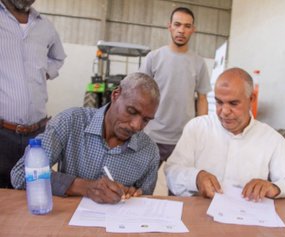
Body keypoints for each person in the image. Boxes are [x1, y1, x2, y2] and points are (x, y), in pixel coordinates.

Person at [11, 72, 161, 204]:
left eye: (146, 120)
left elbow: (145, 204)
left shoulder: (149, 152)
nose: (136, 125)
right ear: (116, 95)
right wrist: (84, 187)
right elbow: (21, 174)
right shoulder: (71, 122)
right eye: (131, 111)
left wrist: (134, 195)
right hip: (65, 222)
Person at [165, 67, 285, 201]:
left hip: (248, 222)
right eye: (219, 102)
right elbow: (172, 170)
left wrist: (275, 187)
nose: (225, 111)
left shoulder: (271, 139)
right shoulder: (197, 128)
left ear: (251, 99)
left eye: (233, 104)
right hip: (200, 215)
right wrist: (195, 178)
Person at [0, 0, 66, 188]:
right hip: (2, 133)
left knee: (35, 192)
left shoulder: (44, 26)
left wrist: (43, 72)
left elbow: (58, 57)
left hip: (37, 135)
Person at [140, 7, 211, 167]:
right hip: (152, 136)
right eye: (177, 24)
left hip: (184, 139)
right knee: (141, 188)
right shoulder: (154, 58)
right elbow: (140, 94)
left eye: (187, 26)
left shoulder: (198, 63)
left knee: (180, 189)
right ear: (169, 26)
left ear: (193, 29)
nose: (181, 30)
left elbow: (202, 99)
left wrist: (201, 133)